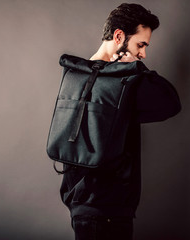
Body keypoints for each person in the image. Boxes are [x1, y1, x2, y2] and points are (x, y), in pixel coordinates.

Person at [58, 3, 181, 240]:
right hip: (109, 213)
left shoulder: (74, 75)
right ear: (119, 36)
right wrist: (137, 69)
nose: (143, 53)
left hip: (82, 210)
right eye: (141, 45)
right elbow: (171, 102)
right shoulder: (123, 83)